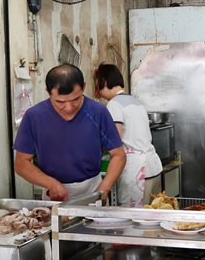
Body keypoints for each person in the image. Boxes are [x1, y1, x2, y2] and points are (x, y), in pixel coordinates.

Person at [14, 64, 126, 203]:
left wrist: (104, 189)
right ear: (48, 92)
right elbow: (21, 163)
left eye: (75, 99)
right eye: (60, 102)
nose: (68, 107)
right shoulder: (34, 116)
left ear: (84, 87)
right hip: (53, 197)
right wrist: (51, 184)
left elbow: (119, 155)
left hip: (92, 192)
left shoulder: (98, 112)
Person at [94, 63, 162, 207]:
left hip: (136, 170)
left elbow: (115, 140)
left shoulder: (114, 104)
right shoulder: (137, 102)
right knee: (151, 214)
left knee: (133, 220)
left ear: (104, 82)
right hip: (152, 166)